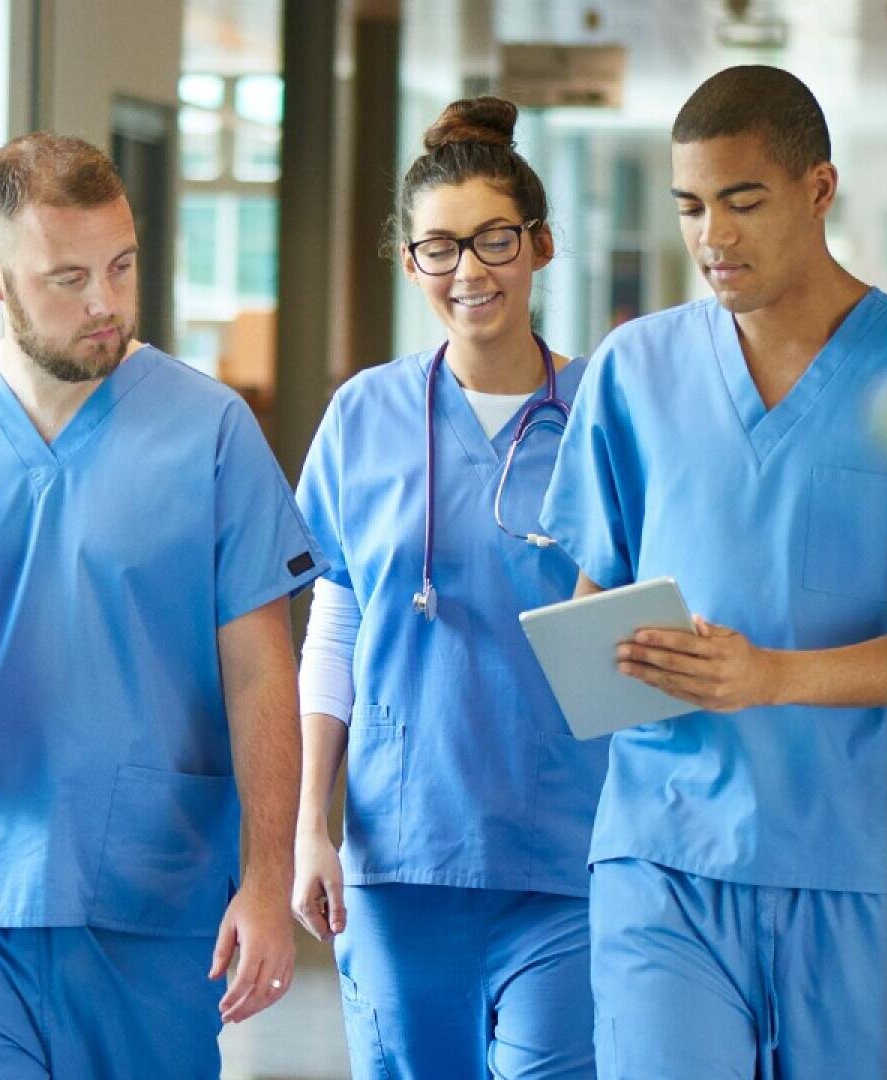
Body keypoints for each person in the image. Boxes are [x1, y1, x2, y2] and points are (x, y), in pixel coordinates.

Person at [539, 65, 887, 1078]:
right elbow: (598, 598)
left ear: (820, 189)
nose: (714, 236)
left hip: (868, 872)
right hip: (664, 856)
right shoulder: (634, 369)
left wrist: (776, 678)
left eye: (743, 200)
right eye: (692, 207)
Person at [0, 131, 324, 1078]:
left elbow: (262, 670)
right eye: (68, 278)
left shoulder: (208, 430)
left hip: (149, 895)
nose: (106, 303)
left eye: (122, 266)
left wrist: (264, 882)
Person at [291, 96, 603, 1079]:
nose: (469, 271)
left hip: (571, 853)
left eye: (494, 240)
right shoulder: (363, 417)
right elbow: (333, 626)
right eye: (439, 247)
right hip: (401, 855)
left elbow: (641, 627)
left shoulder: (602, 415)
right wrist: (312, 822)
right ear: (409, 259)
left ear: (541, 244)